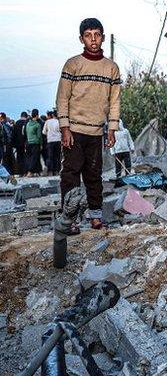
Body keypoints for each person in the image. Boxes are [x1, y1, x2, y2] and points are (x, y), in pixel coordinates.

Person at [56, 17, 121, 232]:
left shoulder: (111, 68)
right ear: (81, 39)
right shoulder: (72, 64)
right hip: (74, 130)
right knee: (71, 175)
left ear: (102, 37)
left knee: (94, 176)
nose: (93, 39)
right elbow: (63, 98)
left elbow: (114, 101)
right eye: (88, 35)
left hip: (96, 131)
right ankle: (70, 220)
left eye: (97, 35)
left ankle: (95, 217)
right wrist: (64, 128)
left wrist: (111, 129)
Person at [43, 110, 62, 176]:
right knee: (57, 156)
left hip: (50, 140)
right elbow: (61, 130)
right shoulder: (59, 122)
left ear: (53, 115)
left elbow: (44, 132)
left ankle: (49, 170)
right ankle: (57, 170)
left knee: (50, 156)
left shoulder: (47, 122)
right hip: (58, 140)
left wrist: (49, 133)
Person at [25, 109, 43, 176]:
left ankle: (35, 171)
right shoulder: (38, 125)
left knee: (29, 157)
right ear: (37, 115)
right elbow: (39, 136)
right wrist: (41, 144)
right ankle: (30, 171)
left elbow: (26, 133)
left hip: (28, 142)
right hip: (35, 143)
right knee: (35, 157)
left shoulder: (28, 124)